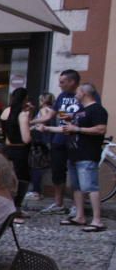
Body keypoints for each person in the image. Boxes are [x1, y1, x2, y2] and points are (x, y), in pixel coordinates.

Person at [38, 82, 108, 231]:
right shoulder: (80, 112)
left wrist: (78, 128)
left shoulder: (97, 110)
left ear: (84, 93)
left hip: (87, 154)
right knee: (77, 187)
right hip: (74, 154)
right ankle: (80, 216)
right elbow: (66, 128)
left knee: (90, 187)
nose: (75, 95)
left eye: (77, 92)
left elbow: (101, 129)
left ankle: (97, 221)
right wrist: (47, 128)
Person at [41, 69, 82, 215]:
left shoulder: (84, 94)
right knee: (57, 171)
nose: (59, 85)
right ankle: (58, 203)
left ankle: (78, 206)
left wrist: (73, 117)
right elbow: (51, 115)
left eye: (62, 82)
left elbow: (89, 113)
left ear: (72, 82)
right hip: (59, 140)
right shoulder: (61, 96)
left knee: (76, 173)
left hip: (76, 140)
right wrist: (33, 121)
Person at [0, 87, 33, 215]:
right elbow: (26, 138)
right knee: (21, 180)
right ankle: (16, 208)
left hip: (8, 148)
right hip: (20, 150)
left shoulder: (6, 112)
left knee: (8, 180)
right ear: (25, 99)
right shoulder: (22, 115)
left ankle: (6, 207)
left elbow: (4, 134)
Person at [28, 92, 56, 200]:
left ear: (43, 100)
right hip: (49, 140)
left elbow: (42, 124)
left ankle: (36, 192)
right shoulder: (53, 110)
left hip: (41, 141)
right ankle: (38, 190)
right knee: (40, 167)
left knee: (36, 166)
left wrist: (30, 125)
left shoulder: (44, 110)